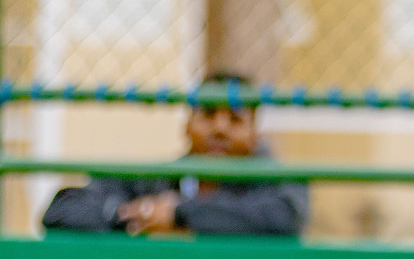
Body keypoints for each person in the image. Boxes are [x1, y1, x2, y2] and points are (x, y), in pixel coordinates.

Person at [41, 72, 307, 236]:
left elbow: (283, 217)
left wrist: (180, 215)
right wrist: (140, 216)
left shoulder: (274, 180)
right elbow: (62, 210)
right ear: (187, 126)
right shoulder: (156, 180)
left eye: (235, 119)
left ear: (254, 135)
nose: (220, 128)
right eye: (209, 114)